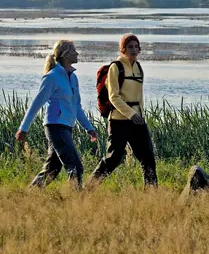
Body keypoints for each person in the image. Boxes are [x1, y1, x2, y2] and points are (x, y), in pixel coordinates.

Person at [16, 39, 97, 189]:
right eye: (74, 50)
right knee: (75, 166)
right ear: (65, 55)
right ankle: (77, 201)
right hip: (55, 126)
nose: (77, 53)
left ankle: (29, 194)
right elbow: (36, 104)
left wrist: (89, 128)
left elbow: (76, 107)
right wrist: (23, 128)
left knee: (52, 168)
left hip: (66, 127)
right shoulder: (52, 77)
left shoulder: (73, 77)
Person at [89, 33, 158, 187]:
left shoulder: (139, 67)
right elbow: (114, 97)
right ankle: (88, 188)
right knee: (113, 159)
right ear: (123, 49)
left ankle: (153, 195)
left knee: (148, 158)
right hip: (118, 121)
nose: (133, 50)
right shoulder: (116, 67)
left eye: (136, 47)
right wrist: (131, 115)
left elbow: (139, 97)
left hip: (138, 121)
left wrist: (139, 116)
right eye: (129, 47)